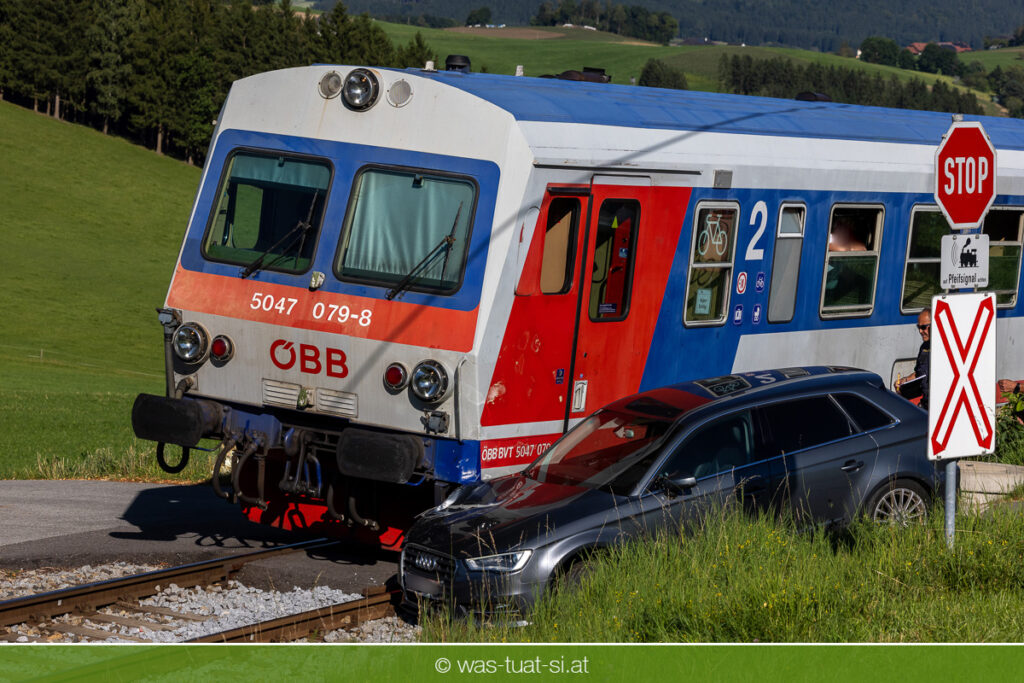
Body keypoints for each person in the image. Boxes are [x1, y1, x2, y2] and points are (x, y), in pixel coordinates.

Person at [897, 310, 930, 409]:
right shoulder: (924, 347)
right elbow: (919, 373)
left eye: (923, 327)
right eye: (918, 327)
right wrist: (904, 381)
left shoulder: (943, 348)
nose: (920, 331)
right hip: (925, 404)